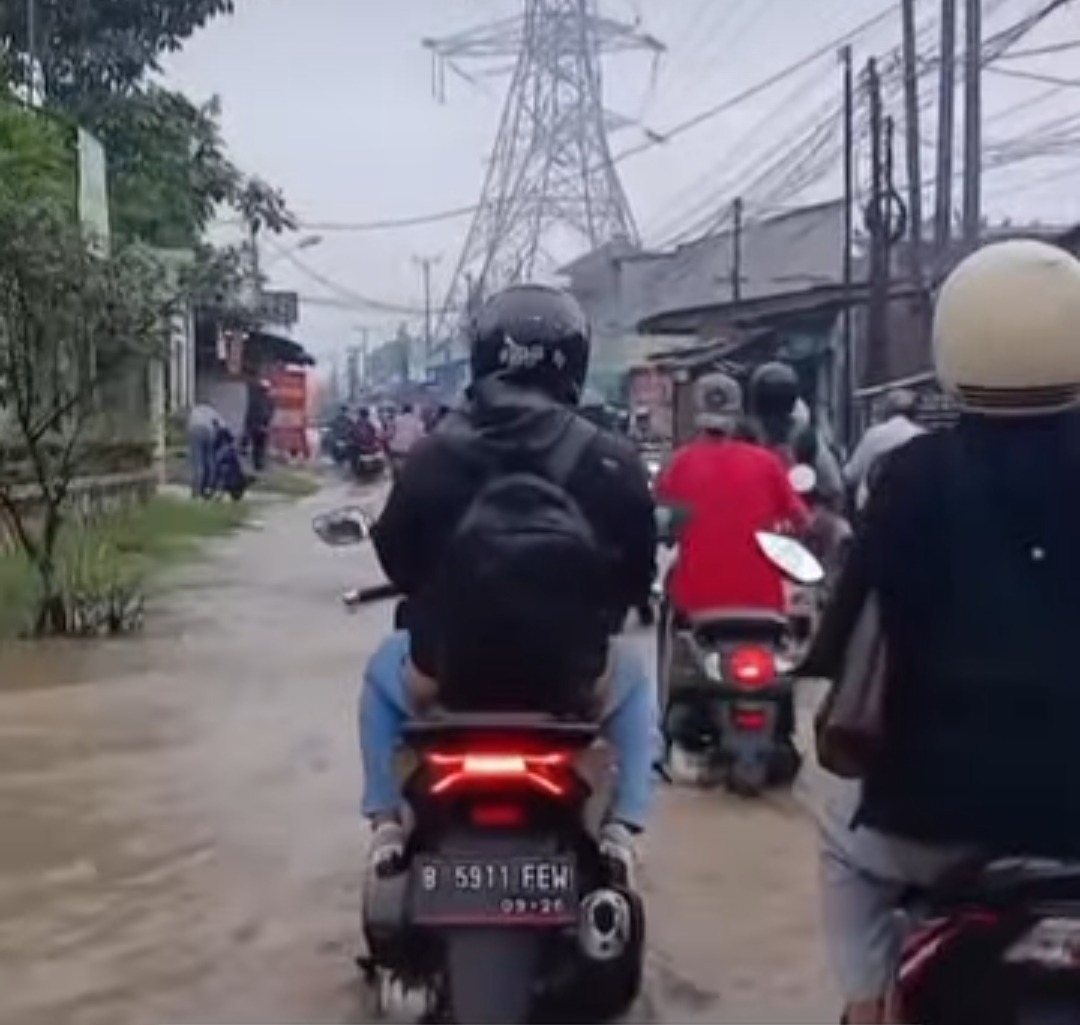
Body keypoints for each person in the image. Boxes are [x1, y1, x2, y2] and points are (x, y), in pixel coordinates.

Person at [804, 238, 1080, 1024]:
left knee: (839, 843)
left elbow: (854, 642)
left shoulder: (912, 477)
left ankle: (866, 1006)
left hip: (933, 816)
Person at [360, 283, 659, 877]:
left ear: (483, 355)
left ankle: (387, 822)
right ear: (573, 359)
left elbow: (398, 562)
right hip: (573, 686)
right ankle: (624, 828)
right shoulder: (610, 460)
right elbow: (635, 579)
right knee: (636, 681)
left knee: (377, 675)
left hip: (443, 677)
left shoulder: (431, 455)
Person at [654, 373, 809, 749]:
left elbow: (661, 527)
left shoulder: (678, 466)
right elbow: (802, 522)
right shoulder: (768, 463)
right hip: (765, 608)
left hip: (699, 608)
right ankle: (783, 734)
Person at [745, 361, 844, 506]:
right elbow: (833, 486)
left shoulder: (744, 433)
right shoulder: (806, 435)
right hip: (797, 515)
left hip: (756, 513)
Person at [843, 389, 925, 511]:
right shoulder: (922, 436)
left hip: (873, 508)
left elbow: (851, 474)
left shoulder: (873, 434)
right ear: (914, 413)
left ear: (888, 411)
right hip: (913, 508)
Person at [186, 402, 221, 499]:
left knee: (198, 462)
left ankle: (196, 491)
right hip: (208, 432)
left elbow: (189, 424)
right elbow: (220, 425)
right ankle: (209, 487)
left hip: (194, 431)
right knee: (210, 460)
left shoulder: (195, 410)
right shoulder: (212, 411)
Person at [384, 402, 424, 478]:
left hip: (396, 450)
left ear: (402, 410)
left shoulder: (395, 420)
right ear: (412, 411)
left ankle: (396, 483)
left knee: (395, 472)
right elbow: (420, 436)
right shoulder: (417, 421)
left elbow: (389, 434)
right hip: (410, 451)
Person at [245, 378, 275, 472]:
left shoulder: (263, 400)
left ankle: (258, 464)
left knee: (258, 446)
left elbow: (270, 413)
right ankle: (258, 464)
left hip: (259, 426)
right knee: (259, 446)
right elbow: (269, 413)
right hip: (259, 426)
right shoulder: (265, 400)